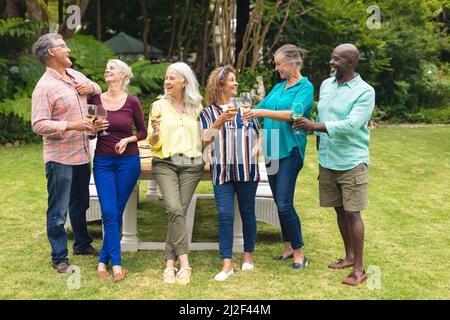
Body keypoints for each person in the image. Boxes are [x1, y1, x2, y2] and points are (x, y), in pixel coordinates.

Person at [294, 44, 375, 285]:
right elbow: (323, 116)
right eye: (332, 58)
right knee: (339, 209)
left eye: (336, 59)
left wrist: (314, 128)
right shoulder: (327, 85)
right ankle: (349, 257)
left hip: (351, 161)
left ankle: (359, 270)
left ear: (350, 63)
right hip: (328, 160)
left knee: (353, 212)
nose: (331, 62)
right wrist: (319, 142)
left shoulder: (365, 91)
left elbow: (352, 124)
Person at [31, 33, 106, 273]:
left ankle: (82, 244)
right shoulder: (44, 88)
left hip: (82, 154)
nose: (68, 50)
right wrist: (73, 125)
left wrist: (92, 86)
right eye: (63, 46)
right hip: (59, 158)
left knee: (81, 203)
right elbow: (38, 125)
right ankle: (59, 257)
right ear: (51, 53)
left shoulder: (75, 76)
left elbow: (97, 90)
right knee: (58, 210)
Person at [243, 44, 314, 269]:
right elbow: (257, 109)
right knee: (278, 202)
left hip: (290, 150)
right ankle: (287, 248)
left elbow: (294, 114)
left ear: (292, 63)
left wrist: (260, 112)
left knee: (284, 204)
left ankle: (300, 252)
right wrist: (239, 111)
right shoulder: (278, 87)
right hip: (272, 150)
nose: (276, 68)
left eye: (279, 64)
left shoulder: (305, 87)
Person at [199, 65, 261, 281]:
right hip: (222, 171)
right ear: (220, 84)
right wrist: (219, 121)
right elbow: (204, 139)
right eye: (232, 80)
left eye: (236, 80)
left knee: (248, 213)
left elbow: (257, 130)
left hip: (247, 168)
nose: (236, 83)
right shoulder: (207, 113)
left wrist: (259, 144)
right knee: (225, 215)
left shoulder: (245, 108)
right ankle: (227, 264)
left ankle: (248, 256)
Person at [90, 59, 147, 282]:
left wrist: (128, 139)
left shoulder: (132, 101)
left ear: (123, 75)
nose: (107, 70)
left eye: (112, 68)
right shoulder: (96, 100)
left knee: (115, 212)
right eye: (106, 67)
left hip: (128, 162)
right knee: (109, 213)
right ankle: (117, 266)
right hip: (103, 161)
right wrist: (93, 128)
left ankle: (103, 261)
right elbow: (90, 133)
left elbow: (142, 131)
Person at [148, 62, 204, 285]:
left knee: (178, 211)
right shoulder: (158, 106)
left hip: (192, 165)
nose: (167, 81)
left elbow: (204, 137)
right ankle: (184, 264)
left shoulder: (197, 107)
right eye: (166, 78)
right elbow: (153, 143)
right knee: (173, 208)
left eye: (172, 78)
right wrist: (153, 131)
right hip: (165, 163)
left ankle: (169, 265)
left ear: (184, 81)